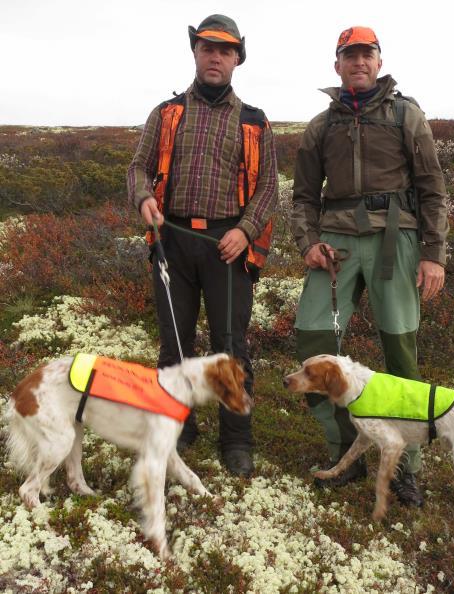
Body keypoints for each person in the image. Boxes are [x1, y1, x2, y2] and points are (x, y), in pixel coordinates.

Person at [291, 26, 448, 505]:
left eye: (367, 54)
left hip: (393, 240)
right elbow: (302, 196)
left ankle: (406, 467)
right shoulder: (321, 125)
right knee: (313, 336)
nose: (359, 62)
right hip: (336, 243)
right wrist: (309, 243)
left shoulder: (406, 115)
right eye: (349, 55)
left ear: (379, 62)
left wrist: (432, 253)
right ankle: (346, 452)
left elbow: (432, 186)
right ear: (336, 64)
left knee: (400, 352)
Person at [127, 14, 278, 477]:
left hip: (227, 247)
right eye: (207, 47)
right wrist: (144, 198)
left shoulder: (255, 121)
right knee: (175, 345)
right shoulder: (166, 112)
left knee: (230, 346)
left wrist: (246, 230)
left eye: (225, 50)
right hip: (171, 241)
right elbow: (137, 168)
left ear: (237, 59)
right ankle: (179, 424)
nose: (215, 56)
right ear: (195, 52)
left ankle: (236, 439)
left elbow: (269, 187)